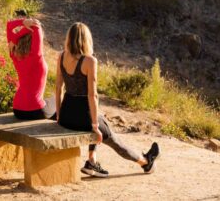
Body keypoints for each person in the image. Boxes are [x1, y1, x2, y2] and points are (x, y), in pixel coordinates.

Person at [55, 22, 160, 178]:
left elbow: (58, 89)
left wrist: (59, 116)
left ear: (69, 38)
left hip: (66, 116)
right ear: (86, 39)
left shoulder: (61, 56)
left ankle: (91, 160)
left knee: (100, 117)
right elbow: (93, 95)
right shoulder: (90, 61)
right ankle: (146, 162)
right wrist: (95, 127)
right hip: (84, 117)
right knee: (112, 138)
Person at [6, 11, 55, 120]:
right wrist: (31, 24)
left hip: (17, 109)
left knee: (48, 101)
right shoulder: (36, 55)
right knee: (55, 100)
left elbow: (9, 25)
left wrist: (22, 26)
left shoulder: (13, 53)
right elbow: (36, 26)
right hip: (35, 110)